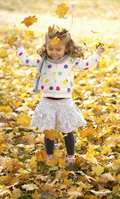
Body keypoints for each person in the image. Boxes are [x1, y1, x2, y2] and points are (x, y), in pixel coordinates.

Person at [13, 28, 105, 165]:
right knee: (49, 132)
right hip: (47, 102)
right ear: (46, 46)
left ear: (66, 48)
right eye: (50, 49)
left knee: (67, 131)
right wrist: (19, 47)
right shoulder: (43, 61)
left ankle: (70, 157)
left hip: (64, 102)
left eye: (58, 49)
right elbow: (26, 61)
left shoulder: (70, 60)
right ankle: (49, 155)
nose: (54, 53)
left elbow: (87, 65)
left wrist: (98, 53)